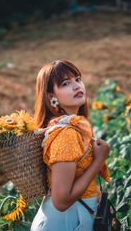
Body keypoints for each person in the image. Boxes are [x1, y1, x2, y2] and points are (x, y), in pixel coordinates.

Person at [31, 60, 111, 231]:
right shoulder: (66, 134)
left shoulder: (75, 126)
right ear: (52, 97)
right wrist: (99, 161)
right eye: (66, 83)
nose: (76, 86)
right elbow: (61, 201)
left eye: (78, 79)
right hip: (63, 222)